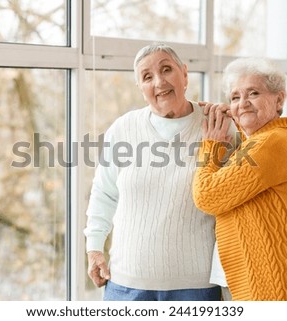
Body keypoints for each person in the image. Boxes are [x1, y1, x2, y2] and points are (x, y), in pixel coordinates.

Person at [84, 43, 226, 301]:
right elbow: (104, 193)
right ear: (140, 88)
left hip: (195, 287)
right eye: (147, 77)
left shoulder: (217, 125)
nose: (159, 81)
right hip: (126, 285)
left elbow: (241, 191)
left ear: (184, 74)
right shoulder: (123, 128)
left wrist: (236, 115)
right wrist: (94, 248)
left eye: (166, 69)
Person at [192, 57, 287, 300]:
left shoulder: (274, 143)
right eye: (235, 97)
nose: (243, 103)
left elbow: (207, 196)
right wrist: (238, 119)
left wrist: (212, 144)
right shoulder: (268, 141)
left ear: (279, 99)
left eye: (253, 93)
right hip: (272, 283)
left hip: (279, 289)